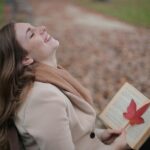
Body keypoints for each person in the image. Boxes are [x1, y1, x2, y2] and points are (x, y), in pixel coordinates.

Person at [0, 22, 130, 150]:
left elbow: (70, 133)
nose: (42, 28)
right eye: (31, 34)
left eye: (34, 27)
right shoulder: (42, 99)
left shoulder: (49, 80)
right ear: (26, 59)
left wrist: (101, 135)